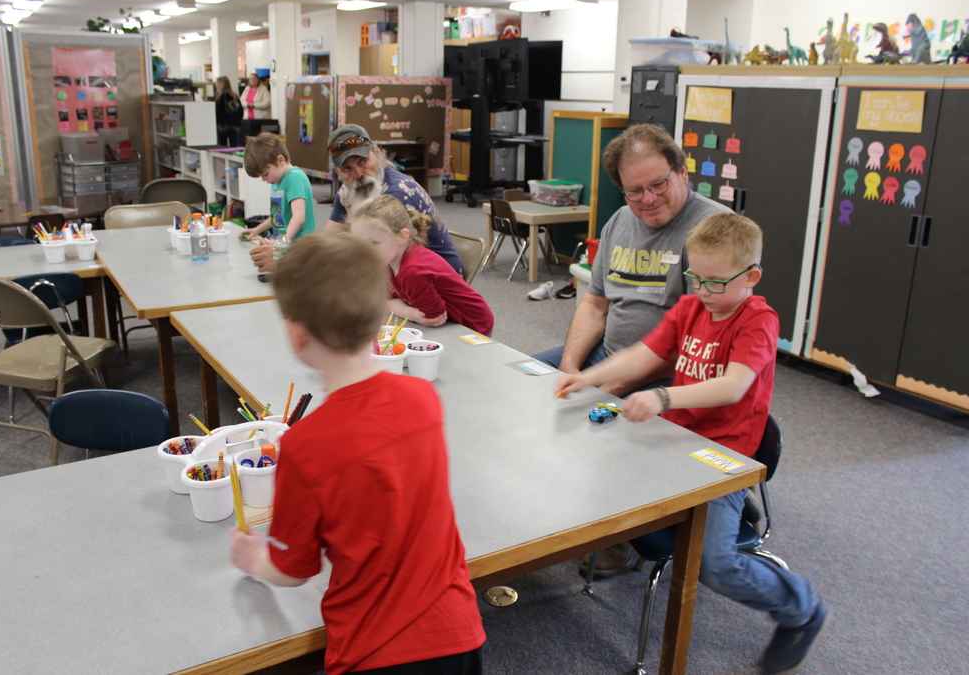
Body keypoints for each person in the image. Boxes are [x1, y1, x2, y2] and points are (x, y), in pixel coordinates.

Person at [554, 213, 830, 675]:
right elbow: (643, 354)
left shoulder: (758, 320)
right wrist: (588, 377)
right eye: (694, 277)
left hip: (722, 456)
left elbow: (734, 386)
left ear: (751, 277)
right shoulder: (692, 306)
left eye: (715, 282)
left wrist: (664, 397)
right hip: (675, 441)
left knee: (714, 564)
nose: (702, 290)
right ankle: (717, 511)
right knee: (591, 468)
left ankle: (801, 606)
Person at [229, 232, 486, 675]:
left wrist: (254, 559)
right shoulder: (423, 398)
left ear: (295, 334)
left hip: (375, 651)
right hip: (459, 634)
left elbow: (293, 571)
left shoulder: (304, 447)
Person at [533, 123, 726, 579]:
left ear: (682, 173)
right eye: (634, 191)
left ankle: (619, 533)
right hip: (610, 354)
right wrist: (570, 367)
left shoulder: (713, 231)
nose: (648, 199)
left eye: (658, 184)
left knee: (599, 419)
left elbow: (691, 341)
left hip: (674, 373)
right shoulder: (620, 221)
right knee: (529, 379)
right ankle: (553, 496)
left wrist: (609, 387)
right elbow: (595, 303)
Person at [249, 124, 464, 276]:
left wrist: (286, 261)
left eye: (362, 161)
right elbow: (328, 239)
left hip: (439, 283)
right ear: (338, 173)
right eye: (347, 168)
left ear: (377, 153)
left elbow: (373, 262)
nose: (358, 173)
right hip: (401, 277)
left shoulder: (397, 193)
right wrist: (281, 250)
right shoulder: (348, 192)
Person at [350, 195, 494, 335]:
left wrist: (408, 312)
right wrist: (406, 310)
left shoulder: (412, 271)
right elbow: (386, 300)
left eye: (373, 243)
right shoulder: (387, 258)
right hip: (450, 326)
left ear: (402, 237)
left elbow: (433, 318)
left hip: (472, 326)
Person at [241, 133, 316, 245]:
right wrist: (257, 230)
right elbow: (276, 217)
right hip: (286, 245)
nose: (264, 180)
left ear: (280, 160)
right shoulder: (277, 180)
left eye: (265, 174)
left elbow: (299, 217)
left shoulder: (294, 177)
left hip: (301, 246)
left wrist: (282, 242)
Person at [214, 75, 243, 147]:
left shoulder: (219, 96)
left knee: (222, 147)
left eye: (217, 83)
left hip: (222, 124)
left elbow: (217, 111)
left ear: (221, 84)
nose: (215, 85)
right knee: (234, 147)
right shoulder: (235, 96)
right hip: (235, 125)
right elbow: (240, 110)